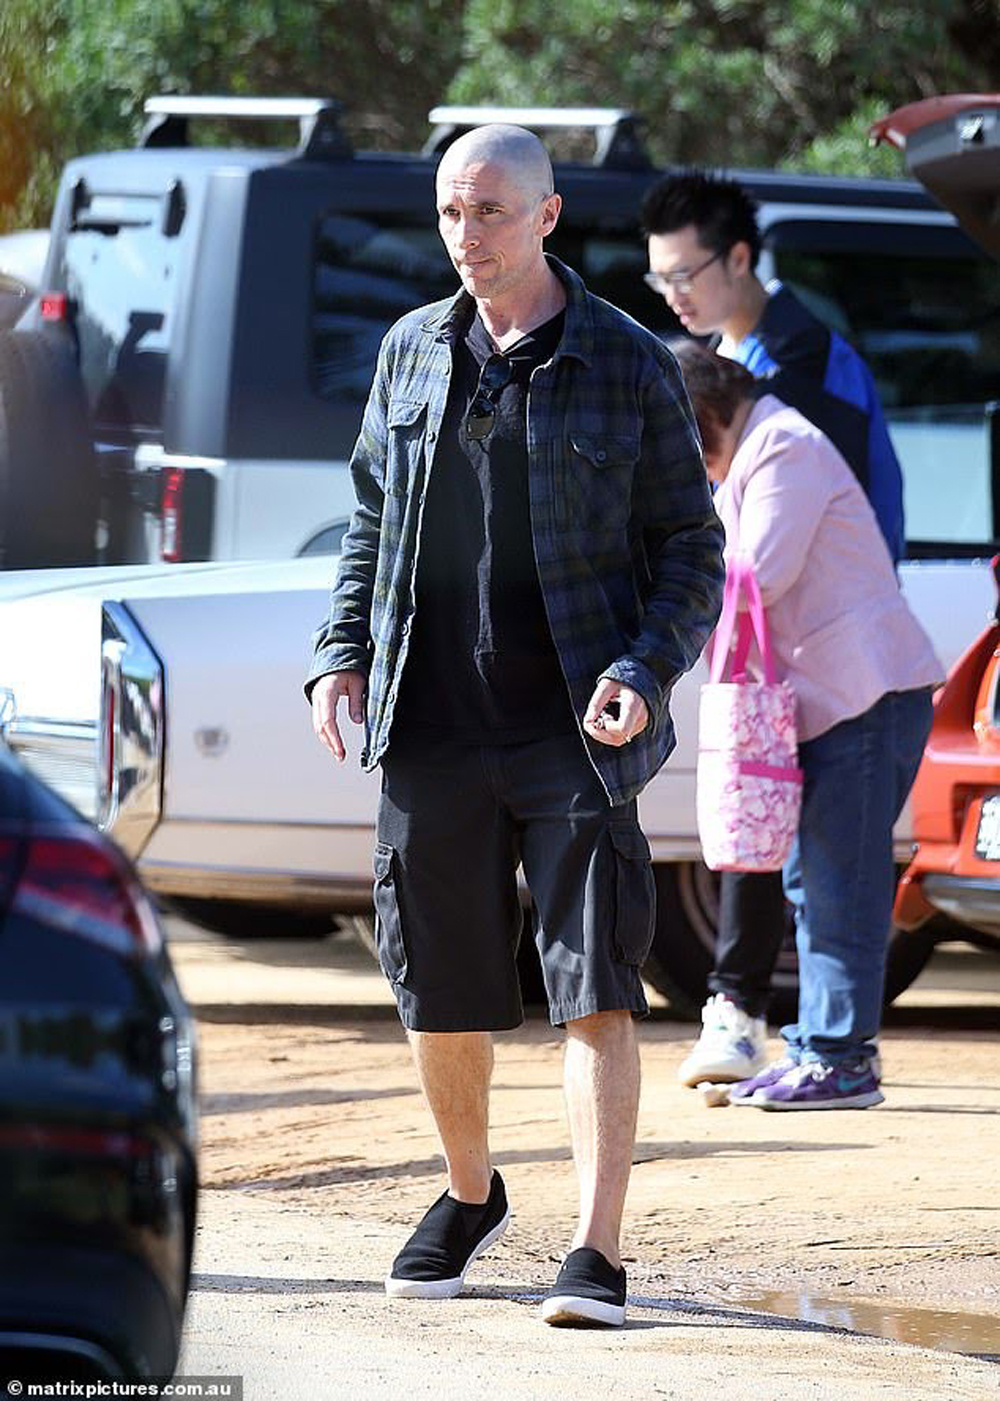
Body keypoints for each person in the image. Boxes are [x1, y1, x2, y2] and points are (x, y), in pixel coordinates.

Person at [305, 124, 725, 1324]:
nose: (465, 234)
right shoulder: (410, 350)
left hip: (574, 730)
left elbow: (691, 548)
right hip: (429, 720)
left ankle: (594, 1249)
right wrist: (340, 654)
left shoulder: (627, 359)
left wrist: (645, 670)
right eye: (450, 211)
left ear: (547, 216)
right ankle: (468, 1191)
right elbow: (369, 522)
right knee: (437, 985)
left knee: (594, 983)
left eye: (489, 211)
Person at [641, 169, 908, 1087]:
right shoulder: (723, 362)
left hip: (832, 654)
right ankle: (787, 1032)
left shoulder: (798, 369)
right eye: (660, 280)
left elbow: (785, 550)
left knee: (822, 869)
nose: (674, 296)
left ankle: (775, 1026)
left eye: (685, 275)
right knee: (779, 839)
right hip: (792, 653)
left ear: (739, 258)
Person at [672, 340, 942, 1109]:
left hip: (865, 696)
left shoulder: (784, 445)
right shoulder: (760, 447)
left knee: (838, 882)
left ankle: (841, 1059)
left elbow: (757, 572)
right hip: (837, 701)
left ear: (702, 415)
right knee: (813, 880)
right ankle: (821, 1049)